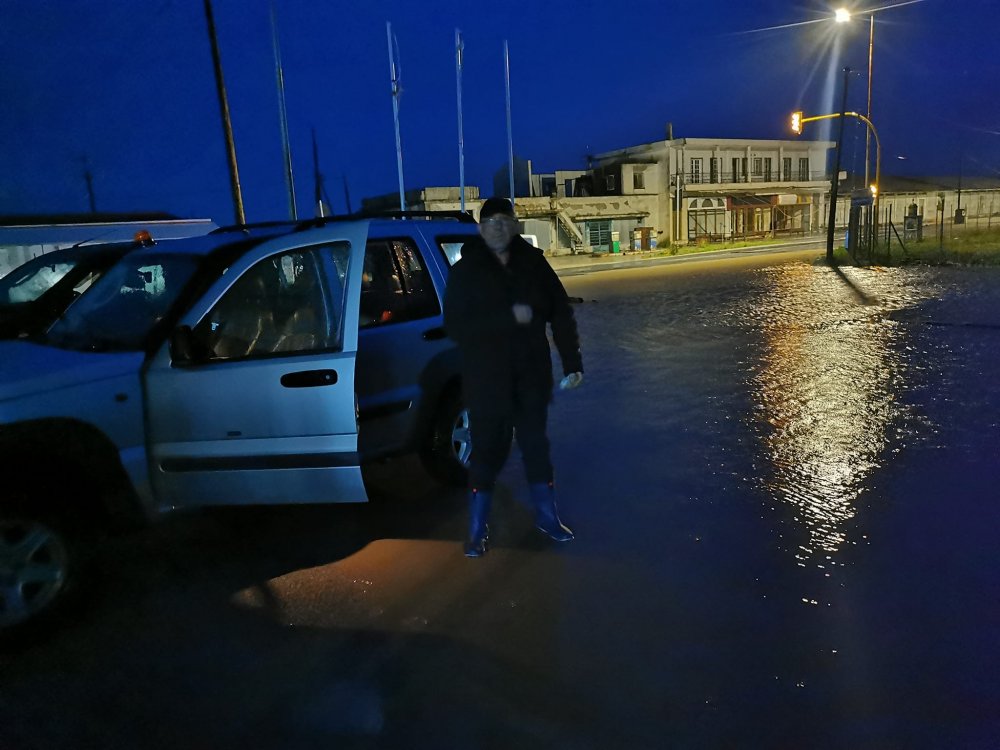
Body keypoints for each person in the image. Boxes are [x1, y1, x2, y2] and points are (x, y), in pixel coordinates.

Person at [443, 197, 584, 557]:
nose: (497, 227)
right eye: (490, 221)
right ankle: (477, 528)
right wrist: (508, 317)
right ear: (481, 227)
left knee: (536, 448)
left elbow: (561, 313)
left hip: (531, 377)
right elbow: (455, 326)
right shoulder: (465, 271)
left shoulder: (534, 264)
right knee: (487, 453)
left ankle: (547, 517)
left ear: (516, 224)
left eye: (504, 220)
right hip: (487, 381)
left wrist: (572, 362)